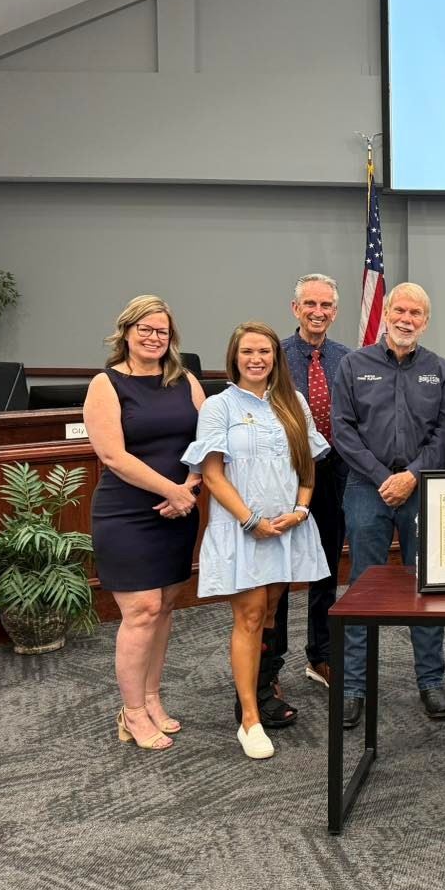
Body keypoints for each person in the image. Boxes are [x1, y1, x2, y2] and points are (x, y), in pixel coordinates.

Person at [184, 322, 329, 760]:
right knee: (249, 615)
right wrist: (251, 521)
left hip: (287, 528)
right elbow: (212, 475)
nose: (256, 359)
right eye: (247, 351)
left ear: (275, 357)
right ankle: (249, 719)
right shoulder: (219, 406)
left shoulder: (293, 402)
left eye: (264, 351)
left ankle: (263, 691)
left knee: (269, 611)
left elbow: (307, 464)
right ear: (234, 357)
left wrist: (301, 508)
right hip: (242, 529)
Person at [332, 282, 445, 728]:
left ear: (426, 321)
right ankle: (354, 687)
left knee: (428, 586)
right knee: (363, 589)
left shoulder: (440, 370)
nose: (407, 319)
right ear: (386, 314)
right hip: (367, 488)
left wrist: (412, 476)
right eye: (400, 310)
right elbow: (343, 430)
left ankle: (431, 681)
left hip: (421, 489)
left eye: (416, 313)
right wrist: (384, 478)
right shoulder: (353, 364)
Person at [85, 295, 204, 752]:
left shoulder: (184, 380)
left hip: (179, 511)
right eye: (146, 329)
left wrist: (190, 488)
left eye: (162, 331)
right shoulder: (106, 383)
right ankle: (131, 711)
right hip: (127, 513)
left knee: (165, 606)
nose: (154, 338)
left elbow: (208, 440)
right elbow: (113, 456)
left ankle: (152, 697)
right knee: (141, 610)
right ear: (127, 332)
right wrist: (171, 490)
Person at [263, 274, 352, 715]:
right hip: (286, 475)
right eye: (310, 304)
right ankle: (271, 665)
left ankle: (320, 654)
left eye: (326, 305)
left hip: (334, 472)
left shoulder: (347, 358)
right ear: (295, 308)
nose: (319, 312)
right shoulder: (273, 355)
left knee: (325, 567)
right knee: (278, 573)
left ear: (335, 311)